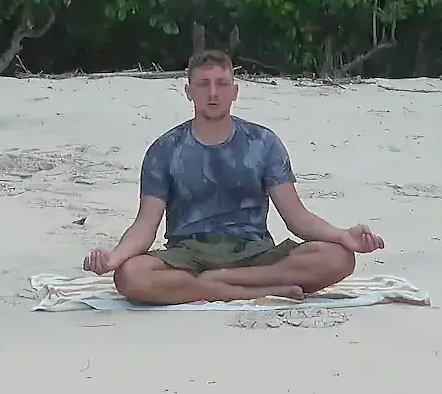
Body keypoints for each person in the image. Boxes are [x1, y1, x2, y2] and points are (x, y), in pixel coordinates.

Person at [83, 50, 386, 304]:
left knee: (339, 258)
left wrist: (342, 236)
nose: (213, 93)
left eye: (222, 84)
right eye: (203, 84)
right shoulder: (165, 150)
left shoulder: (263, 143)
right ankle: (249, 291)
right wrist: (115, 257)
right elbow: (145, 226)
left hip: (253, 250)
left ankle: (222, 281)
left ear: (235, 91)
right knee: (130, 276)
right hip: (189, 253)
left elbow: (297, 218)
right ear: (189, 91)